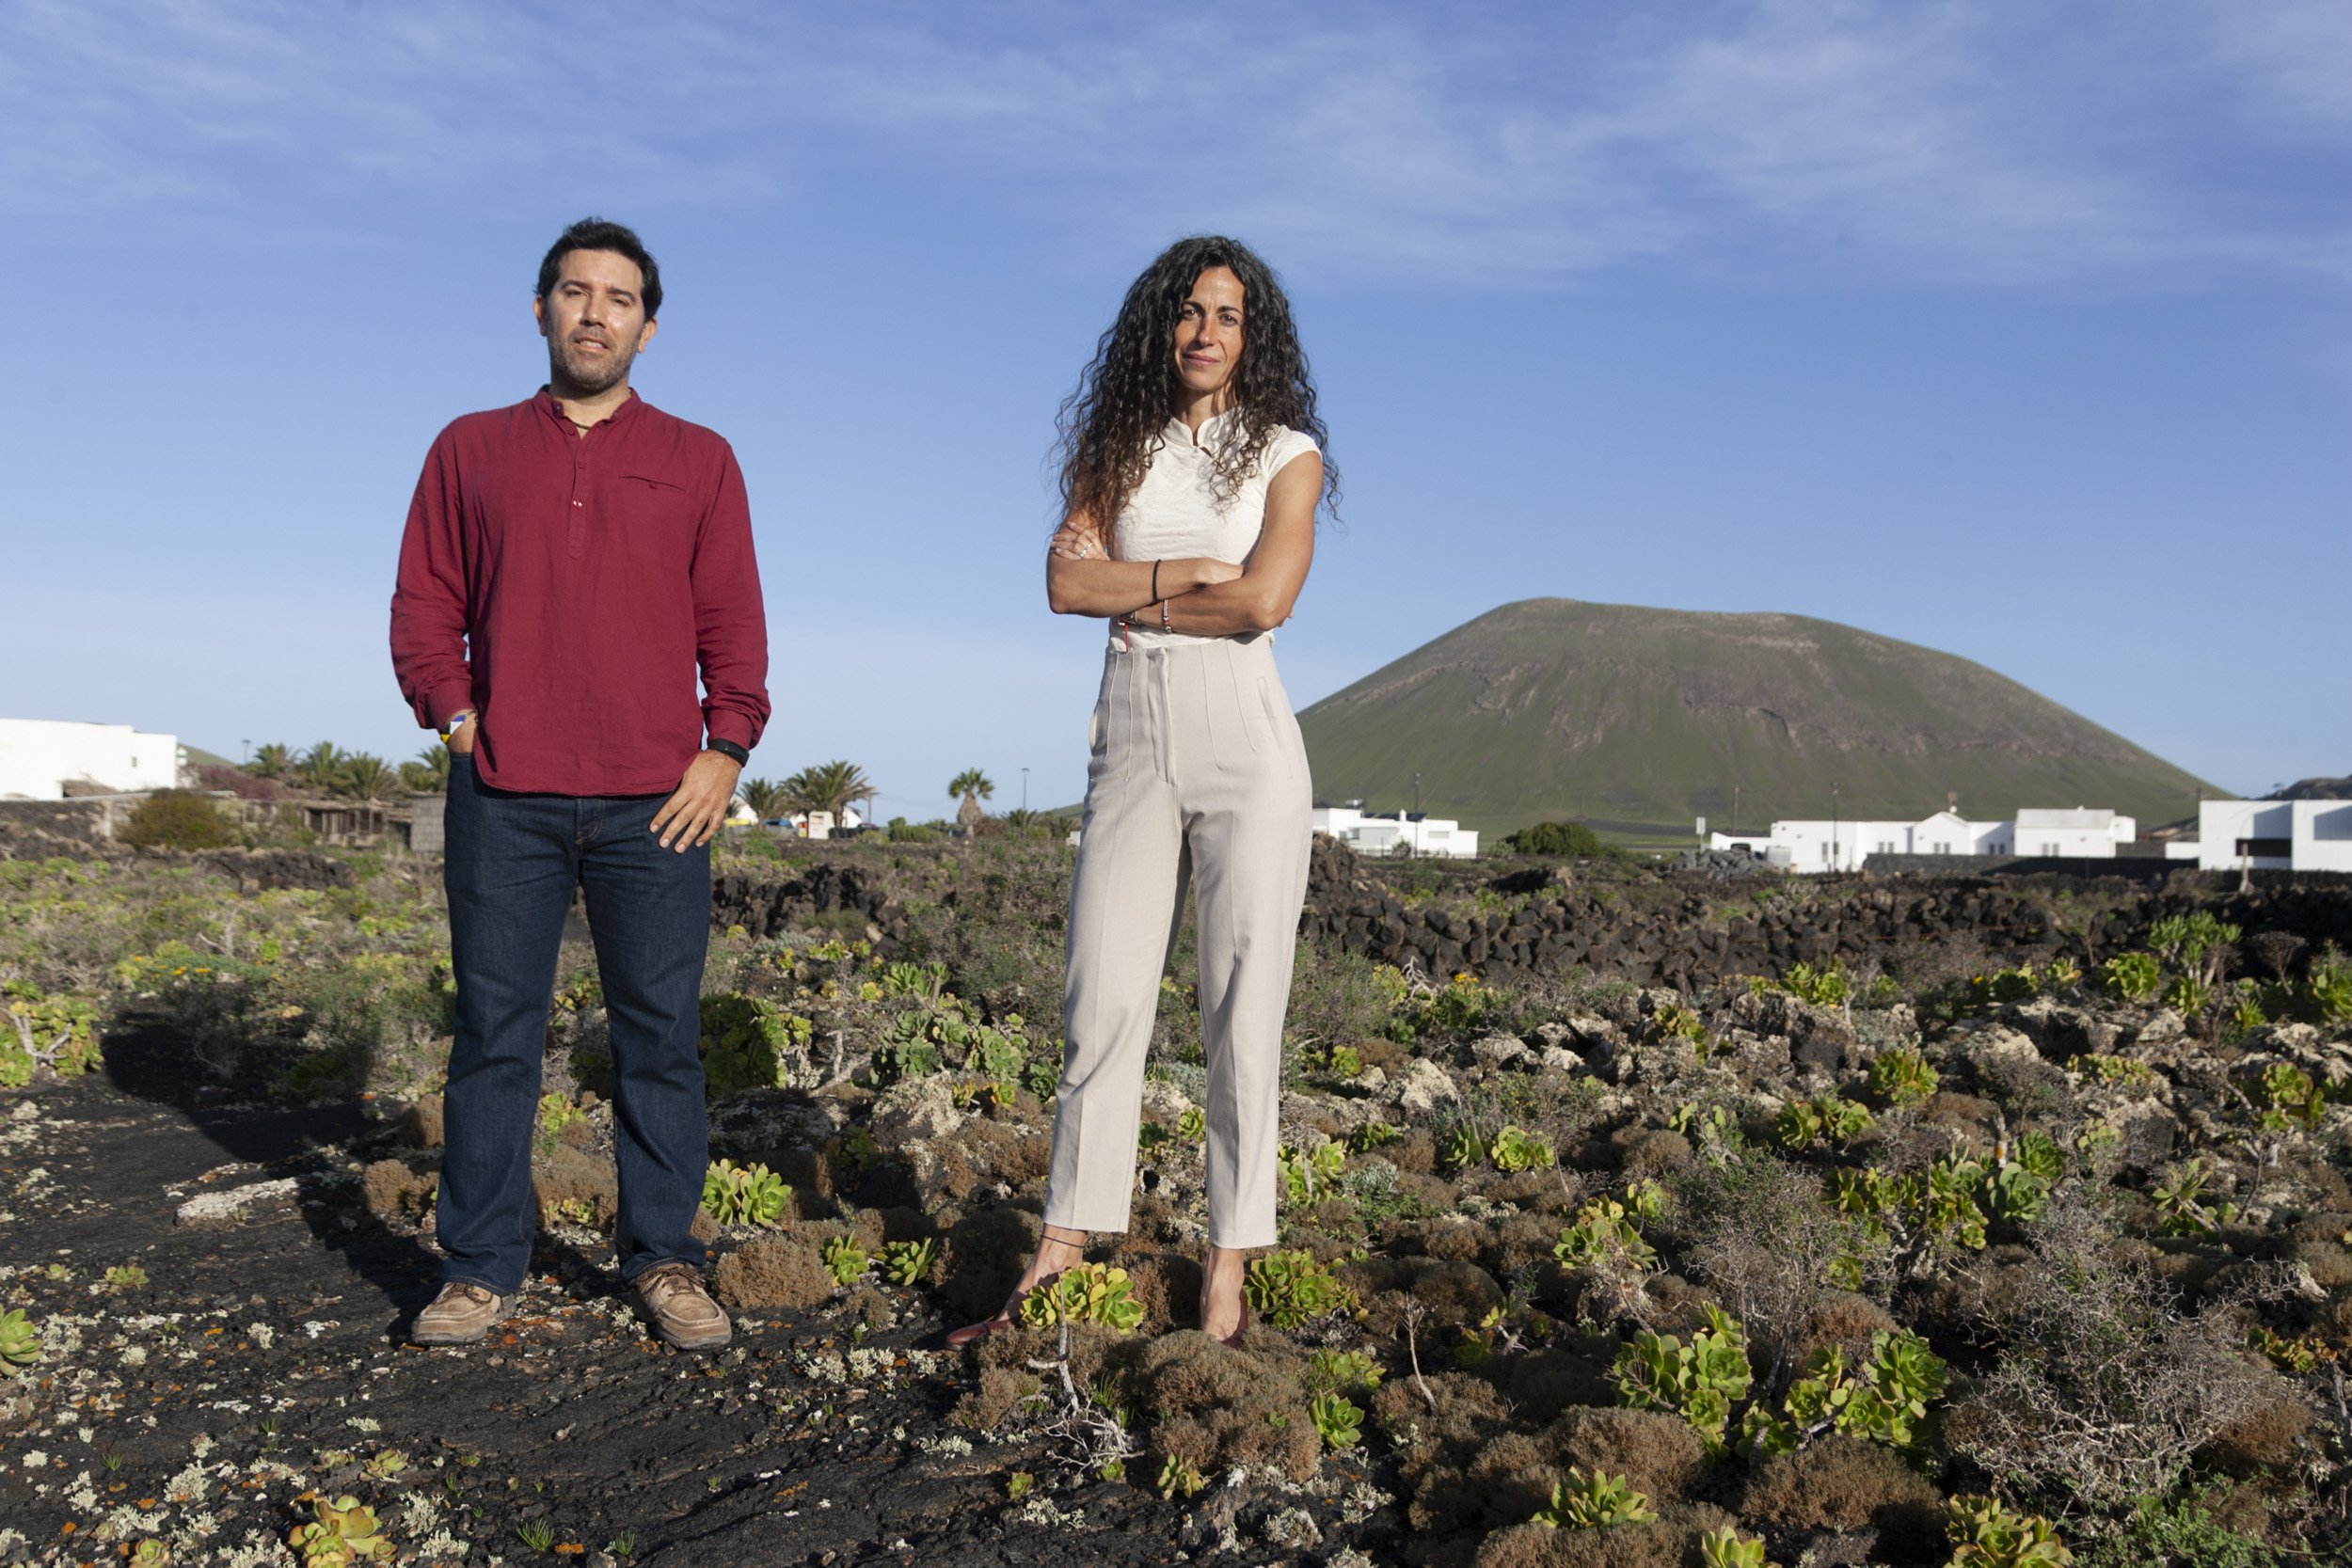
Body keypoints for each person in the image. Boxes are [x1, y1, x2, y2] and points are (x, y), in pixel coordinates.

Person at [389, 218, 770, 1352]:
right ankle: (479, 1266)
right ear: (542, 309)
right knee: (495, 1036)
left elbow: (732, 624)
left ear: (648, 328)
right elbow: (424, 603)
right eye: (574, 291)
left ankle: (664, 1258)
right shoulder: (469, 447)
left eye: (618, 298)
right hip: (503, 795)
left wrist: (726, 747)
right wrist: (454, 718)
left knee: (658, 1039)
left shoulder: (701, 458)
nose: (595, 312)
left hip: (659, 800)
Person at [949, 235, 1335, 1348]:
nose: (1206, 332)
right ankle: (1061, 1249)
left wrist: (1150, 599)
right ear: (1159, 327)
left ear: (1252, 335)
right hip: (1129, 739)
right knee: (1101, 1000)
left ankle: (1227, 1268)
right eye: (1189, 312)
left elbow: (1264, 599)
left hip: (1246, 742)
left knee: (1240, 1005)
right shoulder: (1115, 449)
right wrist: (1184, 575)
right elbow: (1065, 581)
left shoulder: (1286, 454)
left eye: (1227, 314)